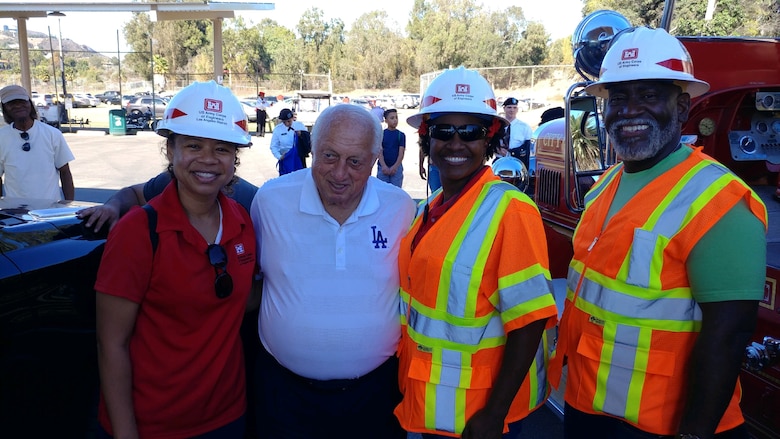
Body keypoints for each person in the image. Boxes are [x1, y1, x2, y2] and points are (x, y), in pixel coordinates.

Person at [548, 27, 767, 439]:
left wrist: (694, 434)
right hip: (589, 405)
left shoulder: (719, 200)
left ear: (682, 106)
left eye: (648, 95)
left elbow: (728, 335)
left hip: (659, 426)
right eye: (618, 98)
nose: (629, 110)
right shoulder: (606, 185)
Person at [396, 66, 558, 439]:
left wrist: (493, 414)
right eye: (443, 131)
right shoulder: (431, 207)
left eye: (470, 132)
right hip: (435, 398)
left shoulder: (510, 211)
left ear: (488, 140)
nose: (456, 144)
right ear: (427, 138)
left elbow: (530, 320)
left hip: (480, 416)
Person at [94, 81, 257, 439]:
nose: (208, 159)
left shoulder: (244, 224)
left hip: (227, 417)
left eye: (222, 149)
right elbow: (112, 344)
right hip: (153, 424)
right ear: (170, 149)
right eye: (193, 145)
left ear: (235, 158)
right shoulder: (138, 231)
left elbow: (240, 304)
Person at [249, 103, 415, 439]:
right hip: (285, 396)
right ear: (312, 148)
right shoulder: (270, 201)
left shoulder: (401, 209)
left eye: (355, 162)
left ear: (374, 160)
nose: (340, 174)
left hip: (375, 397)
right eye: (329, 156)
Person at [0, 84, 75, 200]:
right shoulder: (2, 137)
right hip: (16, 212)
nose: (18, 106)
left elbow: (65, 172)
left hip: (49, 211)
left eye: (22, 101)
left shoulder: (52, 134)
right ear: (4, 108)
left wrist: (69, 204)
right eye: (12, 103)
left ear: (29, 103)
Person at [497, 97, 533, 170]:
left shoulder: (524, 127)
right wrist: (496, 148)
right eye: (509, 107)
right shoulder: (497, 125)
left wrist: (511, 152)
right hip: (499, 162)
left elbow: (528, 147)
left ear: (517, 109)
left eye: (514, 107)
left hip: (517, 163)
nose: (512, 110)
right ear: (504, 109)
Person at [376, 108, 406, 187]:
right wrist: (384, 166)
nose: (395, 120)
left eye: (396, 117)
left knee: (396, 191)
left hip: (396, 168)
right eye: (392, 118)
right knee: (382, 191)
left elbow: (401, 153)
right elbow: (380, 151)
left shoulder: (400, 135)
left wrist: (395, 167)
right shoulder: (381, 134)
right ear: (386, 120)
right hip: (383, 168)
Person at [270, 108, 302, 175]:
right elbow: (274, 146)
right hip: (285, 158)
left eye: (289, 121)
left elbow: (308, 141)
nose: (287, 123)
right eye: (284, 122)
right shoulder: (278, 129)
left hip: (299, 158)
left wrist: (301, 135)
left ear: (292, 118)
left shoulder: (299, 125)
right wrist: (279, 156)